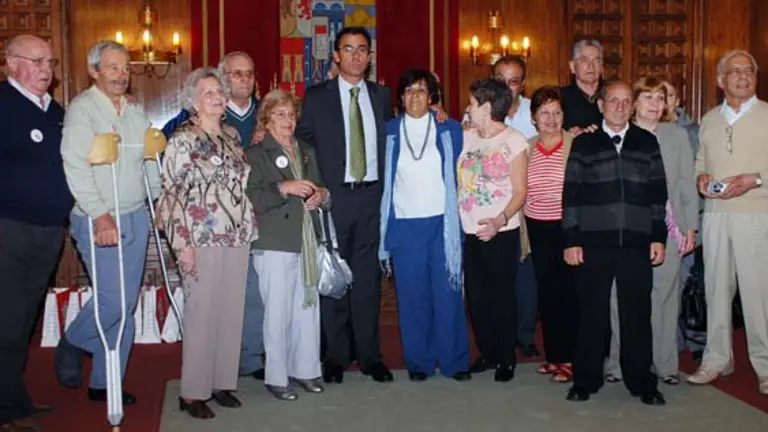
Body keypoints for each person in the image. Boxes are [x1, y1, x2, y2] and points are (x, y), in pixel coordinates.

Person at [57, 40, 158, 405]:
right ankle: (73, 341)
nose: (121, 74)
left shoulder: (133, 112)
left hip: (135, 213)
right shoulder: (82, 111)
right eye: (113, 67)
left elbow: (147, 158)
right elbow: (75, 167)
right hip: (99, 217)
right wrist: (100, 215)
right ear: (95, 71)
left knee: (125, 305)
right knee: (113, 302)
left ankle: (105, 381)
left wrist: (157, 200)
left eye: (125, 67)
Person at [295, 26, 394, 384]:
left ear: (369, 56)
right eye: (348, 49)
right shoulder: (317, 96)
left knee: (368, 281)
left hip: (371, 197)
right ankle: (335, 356)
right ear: (336, 55)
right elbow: (303, 143)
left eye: (362, 49)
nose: (355, 55)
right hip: (333, 198)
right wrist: (315, 186)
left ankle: (370, 357)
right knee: (333, 276)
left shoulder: (382, 96)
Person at [159, 67, 257, 419]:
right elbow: (171, 195)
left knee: (231, 311)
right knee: (202, 313)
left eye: (220, 91)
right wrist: (181, 244)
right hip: (199, 237)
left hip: (237, 234)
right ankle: (193, 392)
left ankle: (221, 383)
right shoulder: (183, 139)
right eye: (209, 93)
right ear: (193, 101)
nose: (218, 97)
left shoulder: (231, 135)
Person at [562, 79, 667, 405]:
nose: (620, 107)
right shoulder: (584, 144)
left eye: (626, 101)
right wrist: (571, 239)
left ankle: (642, 382)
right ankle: (585, 380)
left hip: (637, 242)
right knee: (592, 313)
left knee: (637, 313)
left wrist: (658, 237)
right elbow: (571, 195)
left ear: (632, 106)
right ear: (601, 105)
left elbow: (657, 195)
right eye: (614, 100)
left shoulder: (647, 142)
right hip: (594, 242)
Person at [0, 34, 73, 432]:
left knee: (24, 321)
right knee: (6, 322)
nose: (46, 69)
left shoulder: (55, 111)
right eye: (37, 61)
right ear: (12, 64)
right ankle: (6, 411)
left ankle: (15, 398)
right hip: (10, 231)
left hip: (48, 232)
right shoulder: (4, 106)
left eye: (50, 61)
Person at [604, 76, 697, 386]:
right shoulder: (619, 135)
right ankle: (618, 363)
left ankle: (665, 364)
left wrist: (690, 227)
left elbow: (686, 183)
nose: (656, 105)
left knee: (665, 297)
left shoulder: (678, 136)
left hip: (669, 228)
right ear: (633, 104)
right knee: (622, 297)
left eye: (661, 98)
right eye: (648, 98)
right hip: (627, 230)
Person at [379, 68, 470, 382]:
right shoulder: (389, 131)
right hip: (405, 227)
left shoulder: (450, 129)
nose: (414, 96)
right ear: (400, 98)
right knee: (413, 297)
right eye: (408, 91)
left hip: (442, 227)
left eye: (421, 90)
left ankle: (455, 361)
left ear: (432, 97)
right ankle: (419, 362)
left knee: (448, 294)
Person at [687, 50, 768, 396]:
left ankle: (764, 366)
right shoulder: (708, 120)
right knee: (716, 290)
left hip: (757, 216)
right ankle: (717, 359)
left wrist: (757, 179)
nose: (743, 76)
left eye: (748, 70)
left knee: (758, 295)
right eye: (734, 71)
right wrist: (701, 177)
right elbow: (700, 161)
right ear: (721, 81)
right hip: (717, 217)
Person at [246, 89, 329, 400]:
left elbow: (322, 186)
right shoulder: (255, 154)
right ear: (266, 121)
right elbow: (251, 197)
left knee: (307, 310)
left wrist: (322, 195)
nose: (287, 121)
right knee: (277, 313)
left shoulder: (306, 150)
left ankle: (306, 371)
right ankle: (277, 377)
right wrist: (284, 187)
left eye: (291, 115)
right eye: (279, 115)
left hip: (306, 241)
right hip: (274, 242)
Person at [458, 78, 528, 382]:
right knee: (477, 296)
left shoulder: (514, 140)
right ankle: (486, 351)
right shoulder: (469, 137)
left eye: (473, 103)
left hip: (502, 231)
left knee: (501, 296)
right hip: (470, 231)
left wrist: (499, 221)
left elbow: (521, 191)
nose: (468, 108)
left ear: (487, 107)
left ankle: (505, 356)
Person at [523, 86, 577, 383]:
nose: (551, 118)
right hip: (537, 229)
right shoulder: (528, 147)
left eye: (556, 112)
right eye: (544, 113)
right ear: (533, 118)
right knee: (547, 296)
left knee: (569, 295)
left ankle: (571, 358)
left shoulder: (575, 144)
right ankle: (554, 355)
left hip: (566, 229)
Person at [491, 55, 539, 359]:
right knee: (498, 275)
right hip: (493, 206)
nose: (507, 87)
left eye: (513, 80)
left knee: (526, 275)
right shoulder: (478, 111)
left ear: (522, 83)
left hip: (527, 203)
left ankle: (525, 334)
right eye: (501, 80)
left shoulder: (536, 113)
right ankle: (501, 336)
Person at [663, 78, 706, 362]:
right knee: (667, 286)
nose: (662, 102)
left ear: (678, 100)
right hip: (660, 221)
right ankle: (670, 343)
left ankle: (697, 340)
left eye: (668, 95)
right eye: (655, 96)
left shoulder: (693, 132)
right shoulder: (645, 131)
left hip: (688, 218)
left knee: (692, 282)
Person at [561, 39, 604, 131]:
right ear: (572, 66)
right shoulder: (560, 98)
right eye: (584, 60)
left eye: (596, 61)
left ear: (601, 66)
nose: (591, 66)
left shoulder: (611, 96)